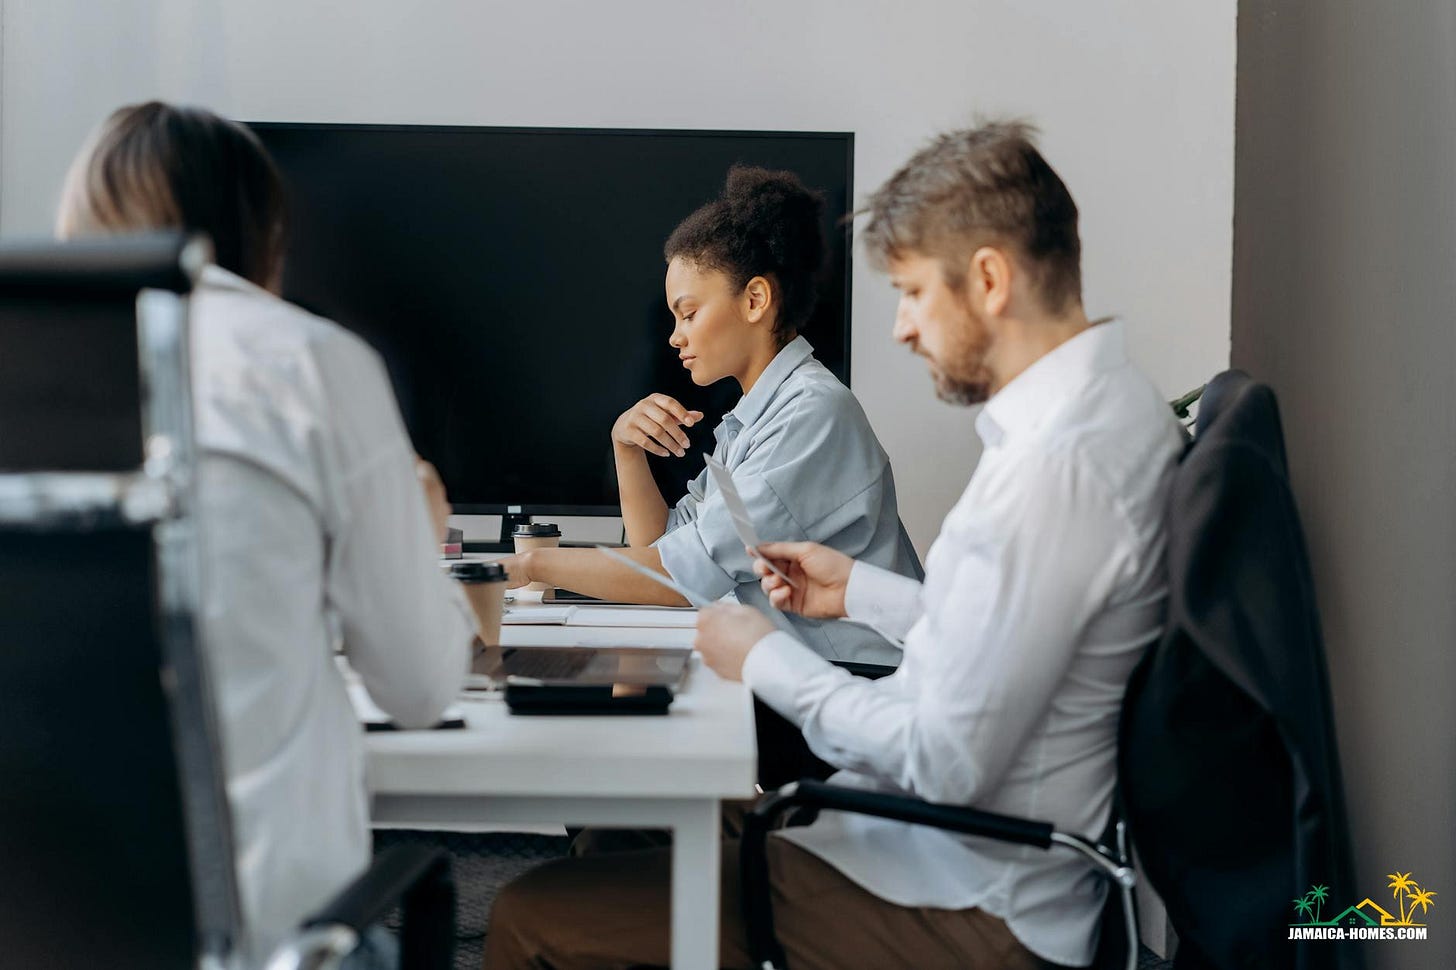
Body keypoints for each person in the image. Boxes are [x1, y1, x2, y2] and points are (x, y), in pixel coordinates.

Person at [484, 122, 1185, 970]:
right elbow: (996, 636)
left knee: (532, 913)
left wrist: (763, 658)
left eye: (914, 292)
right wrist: (858, 591)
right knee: (626, 834)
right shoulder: (1094, 420)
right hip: (922, 837)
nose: (899, 328)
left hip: (963, 892)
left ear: (990, 279)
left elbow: (946, 756)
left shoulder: (1060, 468)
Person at [57, 102, 493, 966]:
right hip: (263, 942)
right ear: (260, 233)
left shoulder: (35, 358)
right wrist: (423, 537)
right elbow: (417, 689)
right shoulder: (308, 361)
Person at [501, 165, 921, 665]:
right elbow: (662, 549)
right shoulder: (756, 417)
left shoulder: (810, 414)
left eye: (689, 313)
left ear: (755, 300)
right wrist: (626, 450)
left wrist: (531, 564)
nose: (675, 336)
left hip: (859, 679)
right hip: (808, 670)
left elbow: (677, 578)